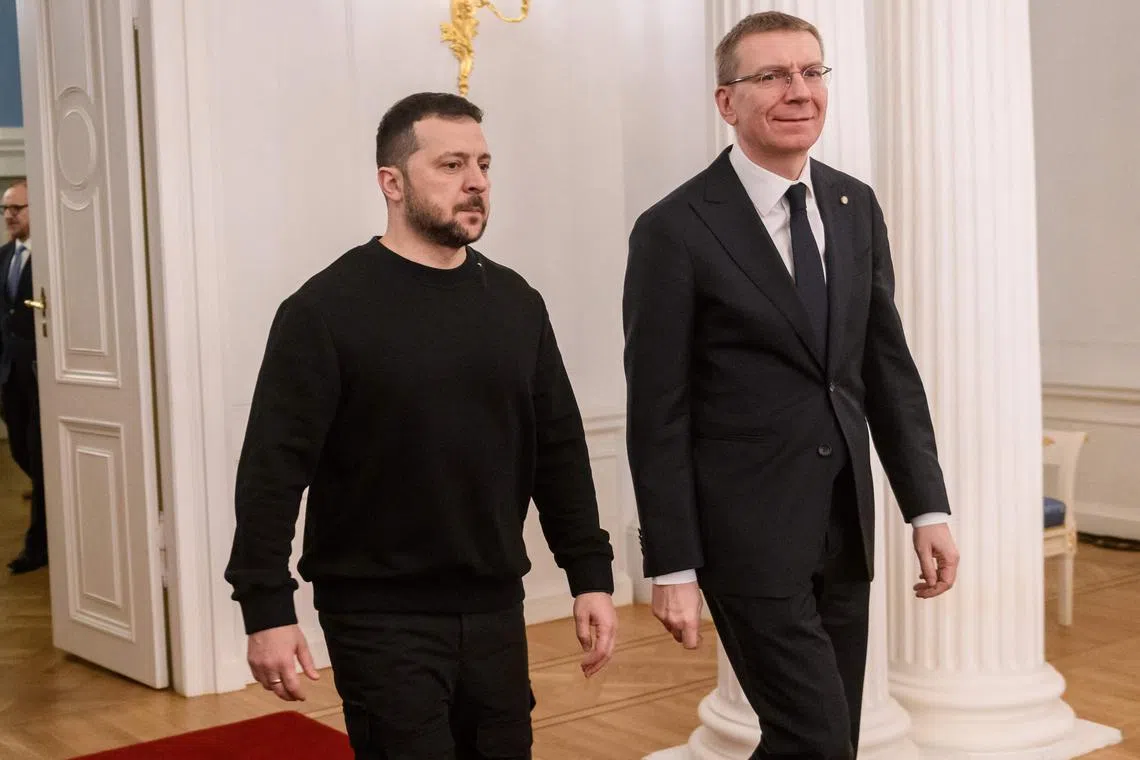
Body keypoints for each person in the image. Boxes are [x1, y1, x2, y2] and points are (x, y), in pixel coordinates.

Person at [225, 92, 618, 759]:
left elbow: (557, 448)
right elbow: (273, 467)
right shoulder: (324, 310)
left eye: (485, 165)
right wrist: (266, 609)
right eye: (452, 164)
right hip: (379, 614)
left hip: (494, 601)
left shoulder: (517, 303)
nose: (477, 183)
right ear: (392, 182)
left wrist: (590, 575)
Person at [622, 12, 960, 759]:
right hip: (744, 538)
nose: (798, 91)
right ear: (726, 101)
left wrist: (925, 506)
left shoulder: (852, 205)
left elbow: (885, 368)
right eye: (772, 75)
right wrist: (671, 565)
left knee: (822, 738)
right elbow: (658, 412)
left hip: (845, 527)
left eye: (812, 72)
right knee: (815, 738)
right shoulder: (674, 229)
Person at [0, 180, 46, 575]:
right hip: (8, 375)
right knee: (19, 450)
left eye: (17, 208)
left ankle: (38, 546)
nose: (10, 215)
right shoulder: (3, 257)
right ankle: (56, 501)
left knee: (41, 453)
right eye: (5, 209)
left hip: (41, 375)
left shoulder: (50, 258)